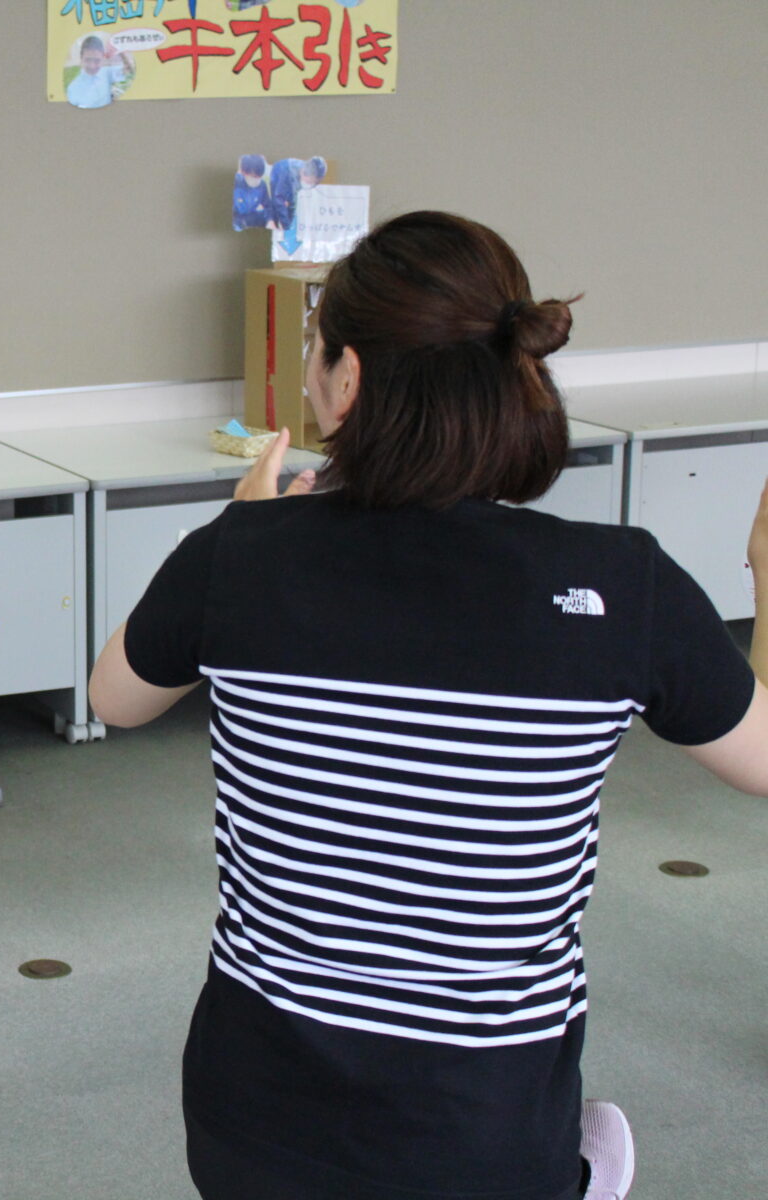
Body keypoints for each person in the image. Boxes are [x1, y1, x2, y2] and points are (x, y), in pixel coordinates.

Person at [90, 210, 768, 1200]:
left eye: (317, 352)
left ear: (350, 379)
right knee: (583, 1144)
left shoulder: (237, 559)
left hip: (251, 1122)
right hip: (481, 1134)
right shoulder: (621, 581)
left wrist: (243, 532)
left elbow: (118, 699)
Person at [66, 34, 134, 109]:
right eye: (88, 60)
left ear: (102, 58)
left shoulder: (106, 72)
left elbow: (129, 69)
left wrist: (120, 51)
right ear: (81, 59)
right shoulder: (73, 88)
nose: (92, 66)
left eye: (97, 60)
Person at [267, 155, 326, 231]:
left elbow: (293, 201)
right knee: (276, 206)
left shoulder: (308, 173)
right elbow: (278, 198)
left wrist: (290, 222)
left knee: (290, 206)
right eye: (309, 182)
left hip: (292, 180)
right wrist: (286, 225)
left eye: (313, 183)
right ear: (302, 173)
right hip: (279, 171)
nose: (310, 185)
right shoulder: (286, 172)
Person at [232, 154, 270, 229]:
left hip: (251, 217)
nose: (257, 180)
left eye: (260, 177)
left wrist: (271, 219)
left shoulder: (262, 185)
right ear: (243, 172)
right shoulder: (236, 184)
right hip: (237, 220)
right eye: (254, 176)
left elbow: (268, 206)